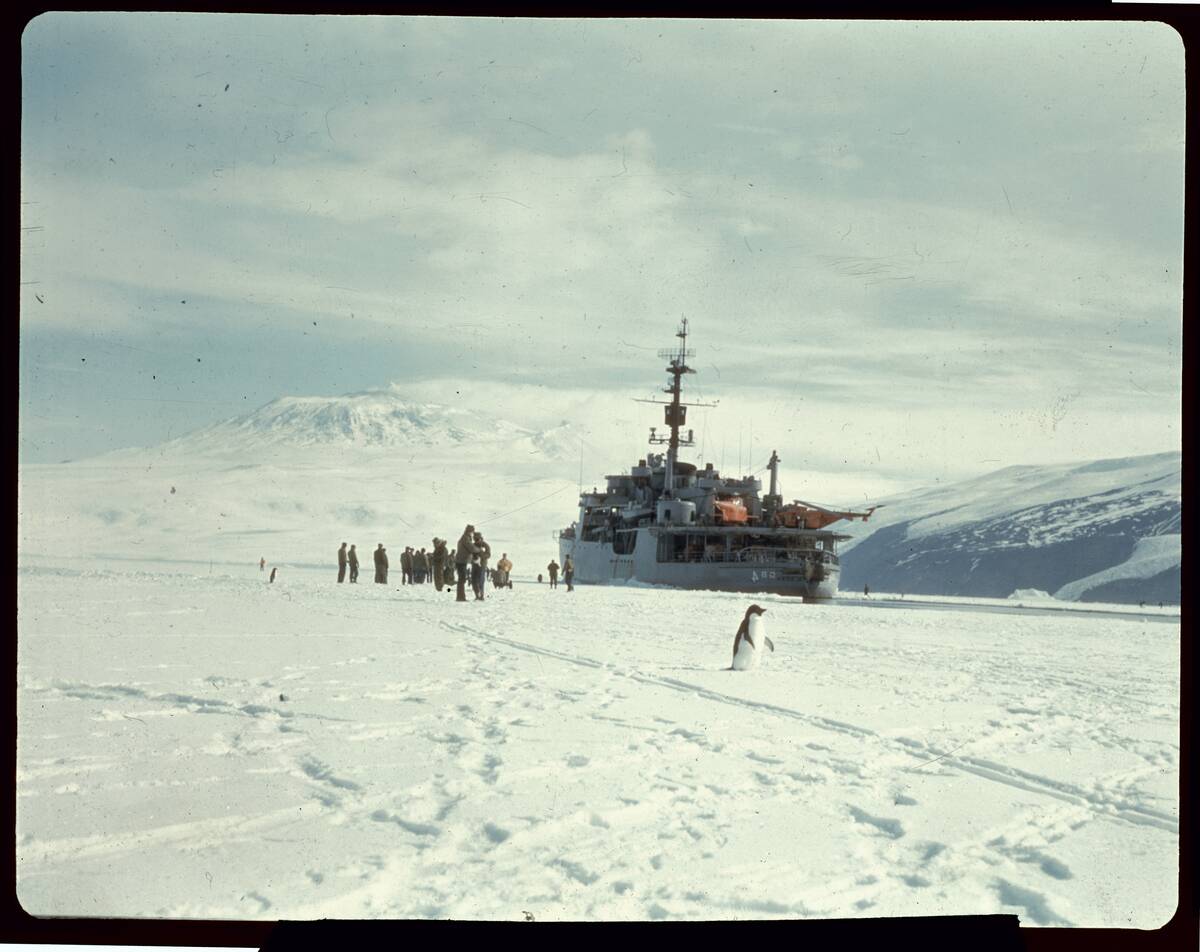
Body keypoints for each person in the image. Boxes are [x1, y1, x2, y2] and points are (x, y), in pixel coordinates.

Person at [455, 525, 479, 602]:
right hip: (462, 561)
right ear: (470, 531)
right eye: (472, 531)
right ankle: (460, 597)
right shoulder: (465, 538)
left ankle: (461, 597)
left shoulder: (464, 537)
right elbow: (471, 548)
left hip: (461, 561)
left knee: (461, 579)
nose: (473, 533)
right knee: (462, 579)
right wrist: (479, 550)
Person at [473, 532, 491, 600]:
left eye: (477, 538)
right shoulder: (473, 545)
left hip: (482, 565)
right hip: (474, 564)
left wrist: (481, 556)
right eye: (475, 538)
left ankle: (481, 595)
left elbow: (488, 554)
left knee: (480, 580)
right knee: (474, 580)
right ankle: (477, 595)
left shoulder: (485, 545)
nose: (476, 539)